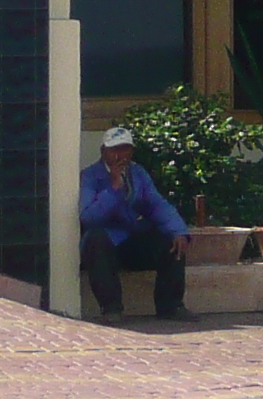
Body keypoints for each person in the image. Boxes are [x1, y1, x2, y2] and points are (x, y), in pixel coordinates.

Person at [79, 126, 192, 320]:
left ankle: (171, 306)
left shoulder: (138, 173)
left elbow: (157, 205)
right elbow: (88, 217)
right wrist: (114, 189)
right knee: (95, 240)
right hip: (108, 242)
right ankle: (111, 308)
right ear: (103, 151)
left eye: (124, 149)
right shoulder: (90, 176)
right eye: (114, 149)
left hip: (132, 239)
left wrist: (178, 231)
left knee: (171, 241)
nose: (119, 155)